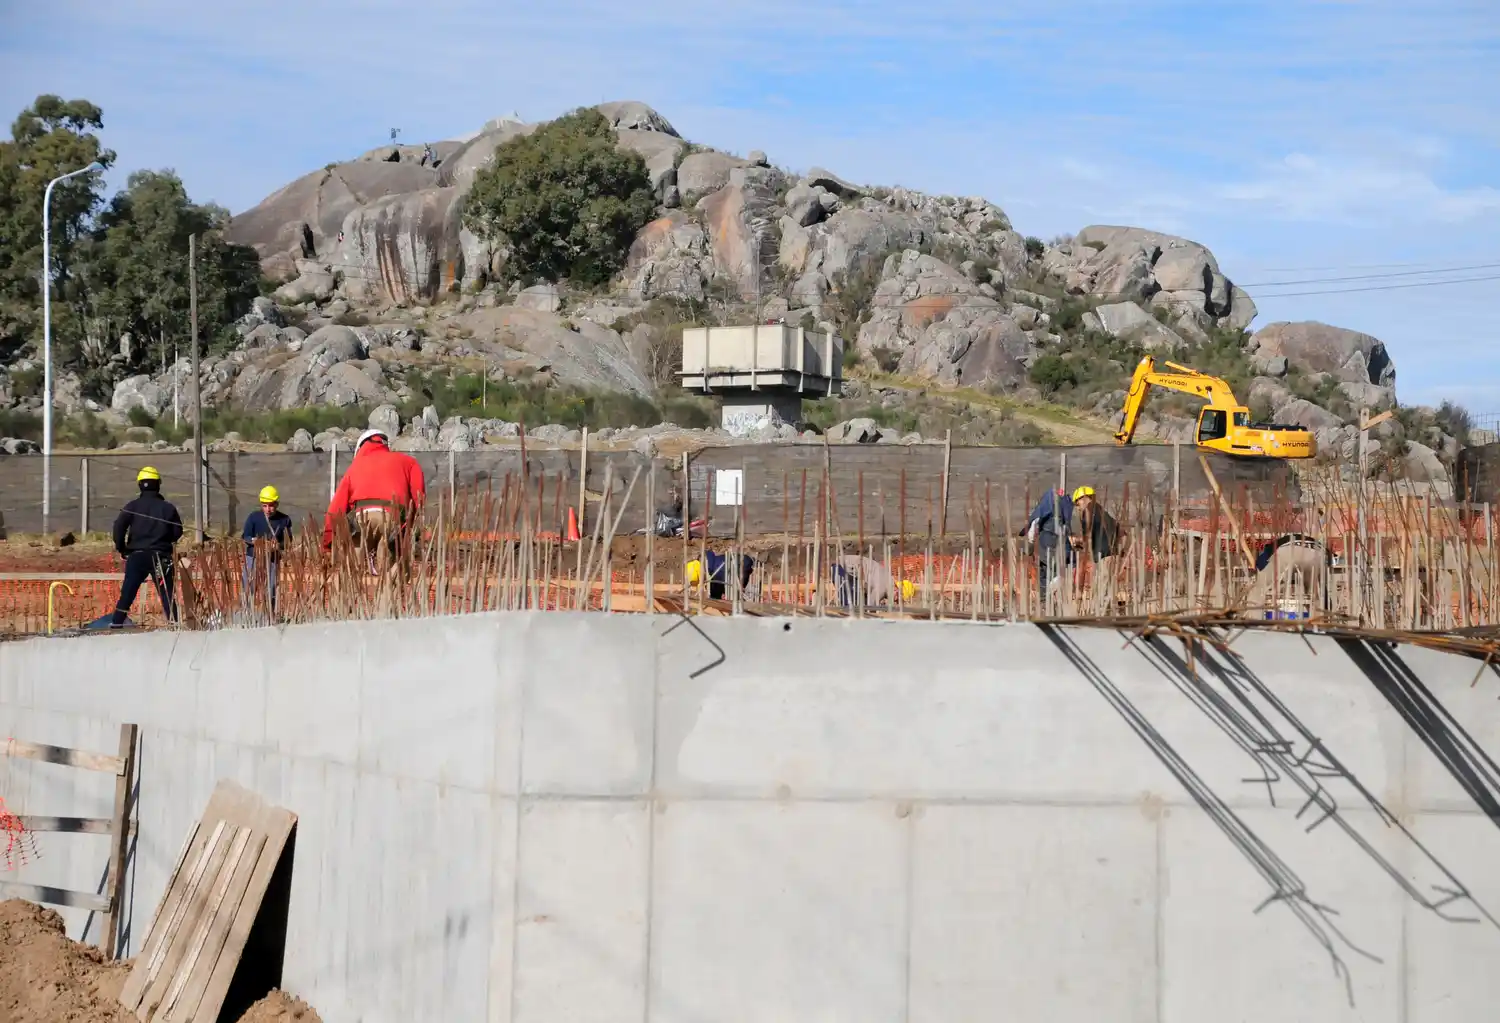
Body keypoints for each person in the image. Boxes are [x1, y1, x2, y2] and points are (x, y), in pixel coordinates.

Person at [322, 429, 427, 564]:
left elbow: (336, 510)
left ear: (361, 448)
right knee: (389, 563)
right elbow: (419, 499)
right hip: (393, 518)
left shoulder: (355, 466)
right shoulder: (409, 462)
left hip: (362, 518)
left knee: (354, 565)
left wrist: (327, 543)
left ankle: (353, 575)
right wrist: (408, 526)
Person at [110, 466, 183, 627]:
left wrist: (123, 548)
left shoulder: (132, 506)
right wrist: (165, 542)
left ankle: (116, 623)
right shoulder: (168, 508)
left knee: (127, 593)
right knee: (166, 593)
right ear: (158, 484)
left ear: (139, 484)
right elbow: (177, 531)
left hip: (137, 556)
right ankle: (175, 624)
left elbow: (118, 527)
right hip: (160, 557)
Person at [243, 485, 293, 612]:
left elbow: (288, 541)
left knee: (271, 587)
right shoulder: (253, 517)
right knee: (249, 585)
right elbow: (245, 536)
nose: (268, 509)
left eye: (271, 505)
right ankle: (247, 612)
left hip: (272, 558)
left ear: (277, 504)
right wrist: (255, 541)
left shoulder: (284, 519)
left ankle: (269, 613)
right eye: (264, 505)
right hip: (253, 556)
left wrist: (278, 546)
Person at [1023, 486, 1073, 606]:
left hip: (1046, 544)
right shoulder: (1065, 511)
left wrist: (1029, 546)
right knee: (1057, 572)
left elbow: (1032, 528)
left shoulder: (1044, 508)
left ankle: (1045, 599)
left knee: (1046, 572)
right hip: (1060, 544)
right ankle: (1050, 599)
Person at [831, 553, 916, 609]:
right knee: (854, 605)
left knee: (854, 603)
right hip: (843, 569)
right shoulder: (884, 586)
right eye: (898, 598)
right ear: (897, 589)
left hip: (842, 569)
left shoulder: (887, 581)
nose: (895, 601)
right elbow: (870, 606)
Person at [686, 550, 756, 601]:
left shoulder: (715, 574)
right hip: (745, 561)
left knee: (735, 595)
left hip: (742, 568)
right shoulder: (711, 562)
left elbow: (716, 595)